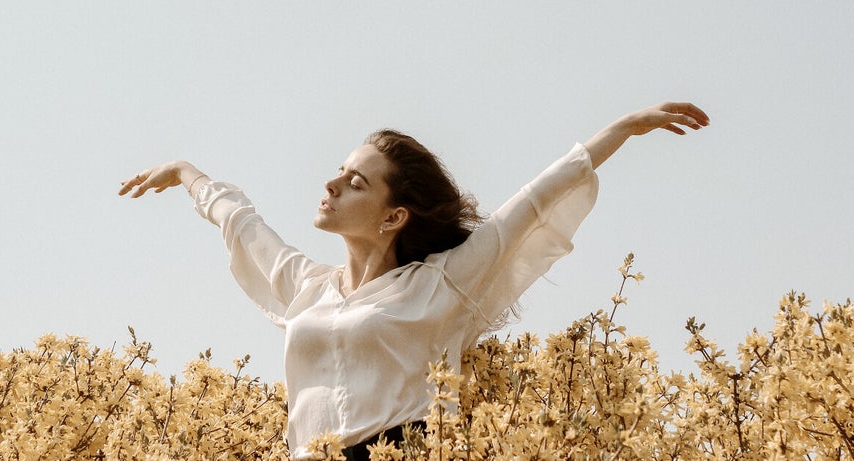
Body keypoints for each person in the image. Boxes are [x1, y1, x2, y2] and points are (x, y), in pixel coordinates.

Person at [119, 101, 709, 460]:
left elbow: (530, 205)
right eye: (339, 171)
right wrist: (188, 173)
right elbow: (243, 225)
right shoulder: (308, 287)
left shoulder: (439, 285)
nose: (331, 184)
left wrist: (622, 129)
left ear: (393, 217)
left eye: (355, 182)